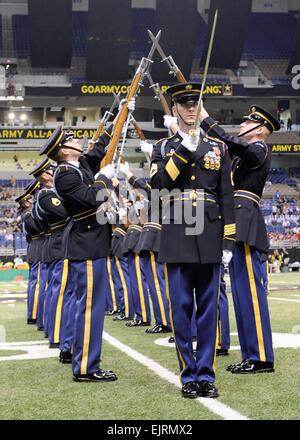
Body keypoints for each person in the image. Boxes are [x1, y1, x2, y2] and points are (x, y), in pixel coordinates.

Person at [38, 98, 134, 382]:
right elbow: (92, 199)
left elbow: (101, 147)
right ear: (65, 151)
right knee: (90, 307)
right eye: (74, 141)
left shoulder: (77, 167)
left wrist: (120, 115)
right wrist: (105, 180)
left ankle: (85, 362)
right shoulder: (66, 175)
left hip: (91, 242)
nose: (81, 142)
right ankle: (86, 367)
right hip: (87, 243)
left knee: (88, 306)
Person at [150, 82, 235, 398]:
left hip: (211, 235)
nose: (189, 108)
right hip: (178, 233)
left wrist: (229, 241)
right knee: (182, 310)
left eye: (194, 103)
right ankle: (189, 375)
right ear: (174, 110)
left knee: (209, 311)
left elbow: (226, 196)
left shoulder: (219, 148)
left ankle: (206, 375)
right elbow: (159, 186)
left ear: (200, 109)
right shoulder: (165, 147)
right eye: (183, 104)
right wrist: (185, 148)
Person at [199, 103, 279, 374]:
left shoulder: (258, 149)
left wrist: (205, 119)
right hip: (236, 220)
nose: (242, 125)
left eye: (247, 123)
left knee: (251, 295)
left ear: (260, 129)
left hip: (246, 221)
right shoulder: (243, 156)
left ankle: (261, 358)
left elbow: (232, 143)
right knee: (242, 295)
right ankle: (251, 355)